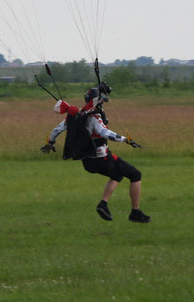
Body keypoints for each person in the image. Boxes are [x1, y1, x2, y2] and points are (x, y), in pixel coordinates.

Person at [41, 83, 150, 223]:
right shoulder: (94, 116)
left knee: (117, 175)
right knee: (136, 175)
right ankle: (135, 212)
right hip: (102, 159)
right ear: (97, 101)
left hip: (87, 163)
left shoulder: (75, 115)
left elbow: (56, 130)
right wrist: (125, 140)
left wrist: (50, 143)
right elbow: (104, 132)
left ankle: (103, 204)